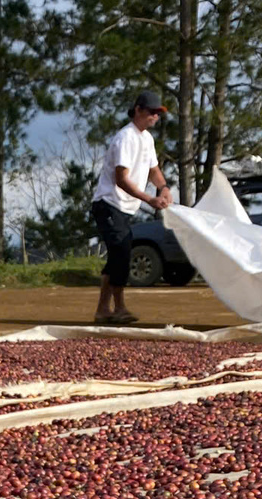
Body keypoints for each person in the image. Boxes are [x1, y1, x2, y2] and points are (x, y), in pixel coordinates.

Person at [92, 92, 173, 325]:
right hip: (108, 204)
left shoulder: (146, 139)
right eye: (151, 112)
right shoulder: (125, 138)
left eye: (158, 113)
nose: (155, 117)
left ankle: (102, 310)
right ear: (138, 110)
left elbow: (153, 170)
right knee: (121, 253)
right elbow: (121, 179)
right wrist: (150, 199)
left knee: (118, 255)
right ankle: (118, 308)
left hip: (124, 208)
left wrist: (164, 188)